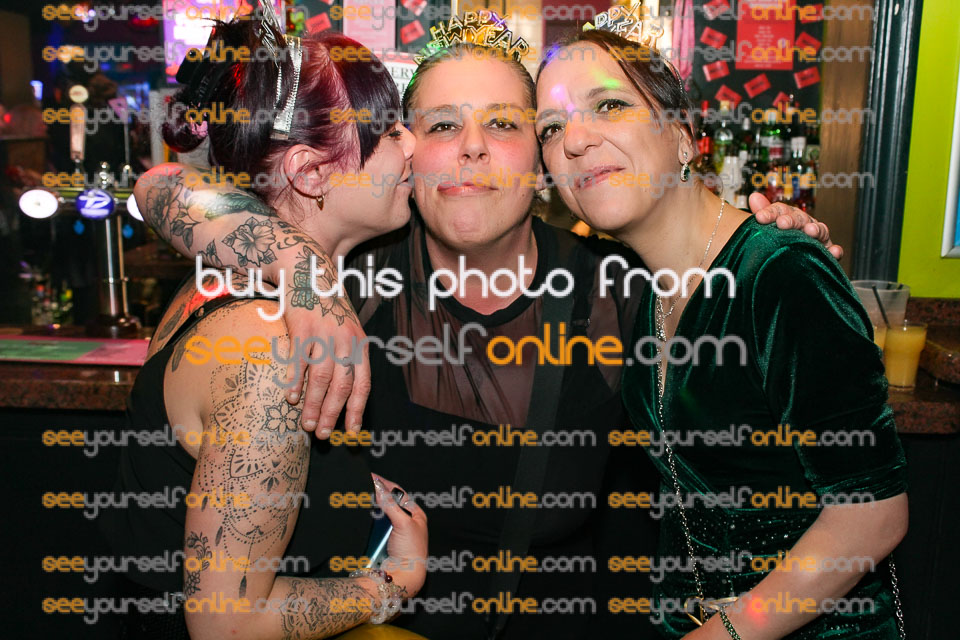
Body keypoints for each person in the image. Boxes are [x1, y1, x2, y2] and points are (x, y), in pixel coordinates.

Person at [134, 13, 842, 639]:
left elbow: (806, 439)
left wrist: (767, 242)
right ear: (408, 151)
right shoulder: (350, 272)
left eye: (503, 124)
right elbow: (161, 186)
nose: (471, 148)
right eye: (442, 124)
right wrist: (300, 269)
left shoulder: (619, 288)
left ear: (543, 155)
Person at [535, 24, 907, 639]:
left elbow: (872, 515)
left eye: (610, 105)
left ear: (683, 135)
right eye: (550, 128)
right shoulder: (632, 290)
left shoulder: (780, 270)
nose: (574, 140)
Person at [107, 13, 428, 640]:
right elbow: (227, 623)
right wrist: (395, 582)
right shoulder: (265, 348)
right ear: (311, 172)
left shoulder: (238, 270)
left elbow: (160, 186)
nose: (411, 143)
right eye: (389, 129)